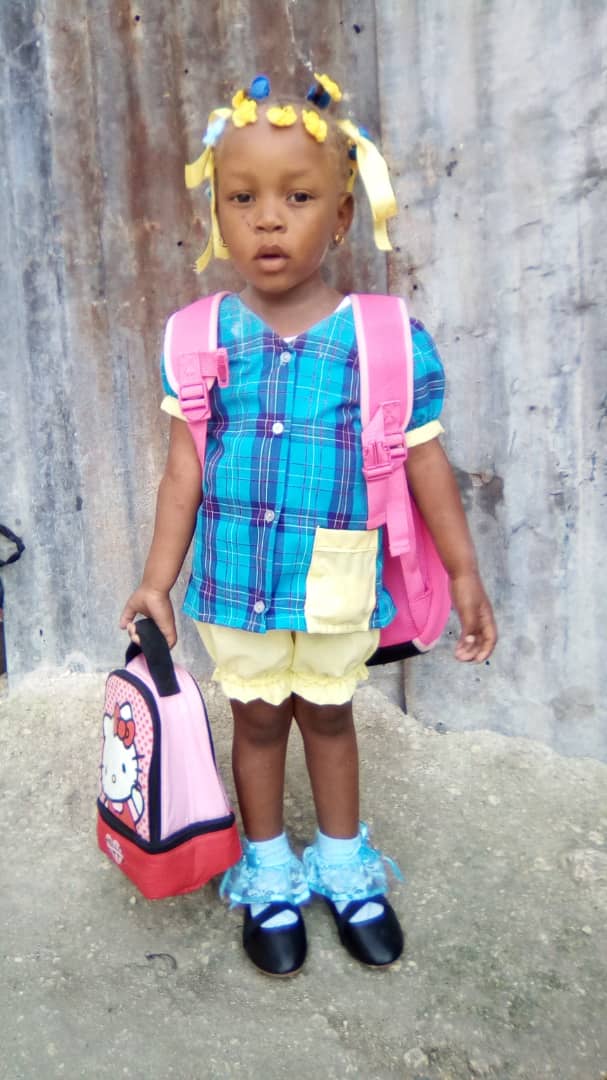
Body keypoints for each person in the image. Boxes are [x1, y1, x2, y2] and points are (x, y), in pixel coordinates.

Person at [120, 73, 497, 977]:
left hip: (336, 580)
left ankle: (342, 864)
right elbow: (183, 472)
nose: (267, 220)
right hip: (236, 582)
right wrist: (155, 582)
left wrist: (463, 572)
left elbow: (424, 462)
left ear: (339, 218)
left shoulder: (385, 338)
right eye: (242, 198)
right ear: (217, 214)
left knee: (329, 721)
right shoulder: (197, 336)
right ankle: (268, 872)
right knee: (255, 722)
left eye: (296, 198)